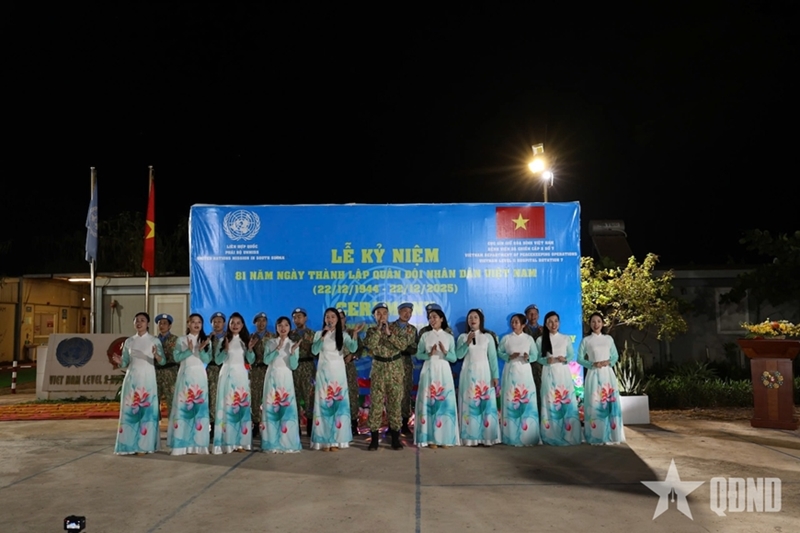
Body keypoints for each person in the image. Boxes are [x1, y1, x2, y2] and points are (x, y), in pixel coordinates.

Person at [363, 302, 416, 451]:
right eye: (378, 314)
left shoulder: (396, 328)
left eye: (384, 313)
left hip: (395, 370)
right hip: (379, 370)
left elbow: (403, 345)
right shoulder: (371, 331)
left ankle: (395, 439)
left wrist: (389, 333)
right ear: (374, 316)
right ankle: (374, 439)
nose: (382, 316)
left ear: (388, 315)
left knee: (395, 404)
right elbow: (371, 345)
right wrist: (379, 331)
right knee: (376, 404)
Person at [112, 312, 165, 455]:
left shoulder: (154, 341)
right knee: (130, 411)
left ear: (148, 324)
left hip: (147, 379)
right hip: (132, 379)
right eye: (137, 320)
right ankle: (128, 445)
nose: (139, 323)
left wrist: (156, 355)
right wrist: (119, 362)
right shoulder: (129, 341)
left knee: (146, 412)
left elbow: (163, 361)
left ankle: (145, 445)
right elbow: (125, 362)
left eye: (142, 320)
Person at [310, 307, 362, 451]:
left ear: (338, 320)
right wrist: (323, 336)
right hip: (323, 373)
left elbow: (353, 348)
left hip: (338, 374)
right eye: (327, 317)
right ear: (324, 319)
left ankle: (337, 440)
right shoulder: (318, 334)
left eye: (333, 317)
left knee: (338, 407)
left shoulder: (343, 335)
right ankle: (324, 441)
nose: (330, 319)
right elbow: (314, 351)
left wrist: (355, 334)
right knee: (324, 406)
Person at [414, 305, 459, 448]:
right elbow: (418, 355)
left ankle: (445, 438)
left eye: (434, 317)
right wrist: (429, 354)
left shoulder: (449, 337)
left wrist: (445, 352)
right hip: (429, 369)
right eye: (430, 318)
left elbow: (454, 358)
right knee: (429, 403)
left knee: (444, 403)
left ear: (441, 319)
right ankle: (431, 438)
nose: (432, 320)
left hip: (444, 370)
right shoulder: (425, 336)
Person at [577, 312, 625, 445]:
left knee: (609, 403)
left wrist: (608, 362)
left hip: (607, 374)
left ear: (602, 323)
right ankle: (596, 435)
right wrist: (592, 364)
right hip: (593, 374)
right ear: (589, 324)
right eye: (593, 321)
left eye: (598, 321)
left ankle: (612, 435)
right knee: (595, 404)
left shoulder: (608, 339)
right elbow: (579, 359)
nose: (596, 324)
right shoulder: (586, 340)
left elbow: (615, 356)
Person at [167, 313, 212, 456]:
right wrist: (189, 350)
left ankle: (198, 445)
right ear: (188, 324)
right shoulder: (181, 340)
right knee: (184, 408)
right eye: (193, 322)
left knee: (198, 409)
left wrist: (201, 349)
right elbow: (176, 357)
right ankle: (181, 444)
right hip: (185, 375)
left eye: (199, 322)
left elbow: (207, 359)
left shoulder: (206, 340)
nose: (196, 324)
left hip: (199, 376)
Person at [455, 308, 501, 446]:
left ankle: (487, 437)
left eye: (475, 317)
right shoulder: (462, 337)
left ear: (481, 320)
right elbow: (458, 355)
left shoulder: (488, 337)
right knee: (470, 404)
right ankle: (470, 437)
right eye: (470, 317)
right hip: (468, 375)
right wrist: (467, 342)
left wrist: (495, 376)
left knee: (485, 404)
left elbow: (492, 358)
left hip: (484, 375)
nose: (472, 320)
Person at [212, 312, 256, 454]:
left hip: (241, 376)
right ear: (228, 325)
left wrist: (250, 349)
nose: (235, 325)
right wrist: (225, 350)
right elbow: (218, 360)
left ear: (242, 325)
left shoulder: (245, 341)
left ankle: (241, 442)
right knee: (227, 407)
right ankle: (227, 442)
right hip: (227, 375)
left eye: (238, 323)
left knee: (240, 407)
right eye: (232, 323)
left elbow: (251, 360)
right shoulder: (223, 340)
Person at [536, 311, 581, 446]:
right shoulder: (540, 340)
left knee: (564, 400)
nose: (553, 324)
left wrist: (564, 359)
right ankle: (550, 434)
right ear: (546, 324)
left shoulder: (565, 338)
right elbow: (537, 357)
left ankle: (568, 433)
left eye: (556, 321)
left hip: (563, 373)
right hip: (549, 372)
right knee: (550, 401)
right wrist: (546, 361)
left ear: (559, 323)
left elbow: (571, 355)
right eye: (550, 322)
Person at [261, 316, 302, 453]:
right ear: (276, 328)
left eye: (286, 325)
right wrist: (277, 349)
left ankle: (287, 443)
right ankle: (272, 443)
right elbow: (266, 361)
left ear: (290, 328)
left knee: (286, 409)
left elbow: (294, 366)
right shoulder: (270, 342)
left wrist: (292, 353)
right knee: (272, 409)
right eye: (280, 325)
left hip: (286, 378)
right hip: (272, 377)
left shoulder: (293, 344)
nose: (283, 328)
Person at [498, 313, 541, 446]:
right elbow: (499, 352)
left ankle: (528, 435)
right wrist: (509, 357)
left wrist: (528, 357)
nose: (514, 324)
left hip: (524, 372)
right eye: (512, 322)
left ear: (523, 325)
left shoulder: (528, 339)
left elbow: (535, 355)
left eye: (516, 322)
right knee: (511, 400)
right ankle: (511, 435)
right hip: (510, 371)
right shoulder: (506, 338)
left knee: (526, 400)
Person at [289, 307, 316, 438]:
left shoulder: (312, 334)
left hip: (308, 367)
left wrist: (306, 346)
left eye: (299, 317)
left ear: (305, 318)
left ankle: (311, 427)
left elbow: (317, 352)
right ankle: (296, 429)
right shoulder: (290, 334)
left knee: (309, 397)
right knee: (294, 397)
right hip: (294, 368)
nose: (297, 319)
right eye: (295, 317)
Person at [339, 310, 364, 436]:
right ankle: (339, 424)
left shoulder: (351, 332)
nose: (339, 320)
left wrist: (352, 356)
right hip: (334, 369)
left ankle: (354, 424)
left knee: (352, 395)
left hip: (349, 367)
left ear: (345, 319)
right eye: (337, 317)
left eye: (342, 318)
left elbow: (360, 348)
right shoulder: (328, 333)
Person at [395, 303, 418, 436]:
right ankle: (392, 425)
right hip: (392, 365)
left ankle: (404, 424)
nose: (407, 314)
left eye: (410, 312)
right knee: (393, 395)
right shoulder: (391, 327)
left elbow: (414, 348)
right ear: (399, 312)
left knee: (406, 394)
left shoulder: (412, 330)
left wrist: (402, 348)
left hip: (406, 366)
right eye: (404, 311)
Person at [250, 312, 272, 438]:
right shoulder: (251, 337)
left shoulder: (273, 337)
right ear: (255, 323)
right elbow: (249, 358)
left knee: (270, 397)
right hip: (256, 370)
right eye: (259, 321)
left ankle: (269, 424)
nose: (261, 323)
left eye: (264, 320)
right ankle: (256, 424)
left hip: (269, 370)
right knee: (255, 398)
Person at [154, 313, 179, 421]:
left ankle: (173, 426)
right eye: (160, 323)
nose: (162, 326)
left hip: (171, 373)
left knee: (172, 400)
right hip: (157, 373)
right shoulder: (153, 340)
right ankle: (154, 425)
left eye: (164, 323)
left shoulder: (176, 340)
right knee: (154, 400)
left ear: (170, 326)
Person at [207, 311, 227, 436]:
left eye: (219, 321)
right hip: (212, 370)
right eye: (215, 322)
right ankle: (213, 426)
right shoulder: (208, 338)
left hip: (225, 369)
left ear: (224, 323)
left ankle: (225, 426)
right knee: (212, 399)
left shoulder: (229, 337)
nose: (217, 324)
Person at [523, 304, 543, 409]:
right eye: (530, 314)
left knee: (540, 390)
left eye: (535, 314)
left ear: (538, 316)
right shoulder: (522, 329)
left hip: (541, 366)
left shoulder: (544, 330)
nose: (533, 316)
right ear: (526, 316)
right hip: (526, 365)